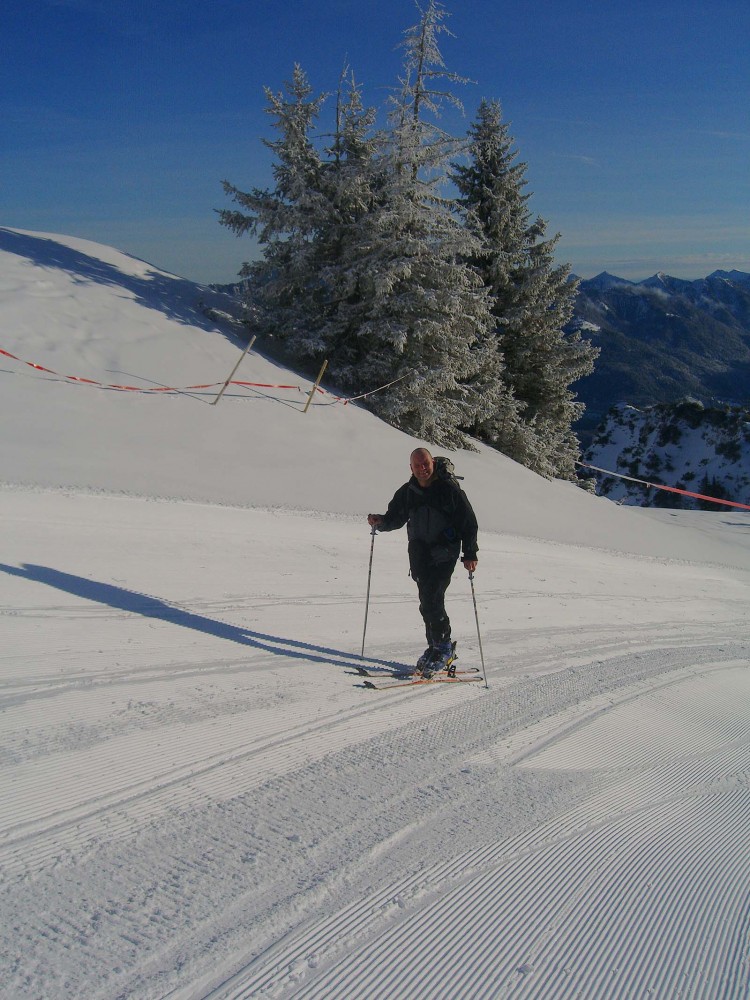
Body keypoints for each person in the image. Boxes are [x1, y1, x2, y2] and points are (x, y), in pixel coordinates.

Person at [368, 448, 479, 677]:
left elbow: (468, 522)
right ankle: (435, 647)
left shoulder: (449, 490)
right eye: (417, 465)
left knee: (432, 598)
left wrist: (470, 553)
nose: (422, 468)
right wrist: (381, 522)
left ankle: (444, 648)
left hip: (444, 552)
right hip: (419, 554)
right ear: (411, 468)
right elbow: (396, 517)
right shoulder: (409, 491)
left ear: (432, 463)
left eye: (425, 463)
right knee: (425, 601)